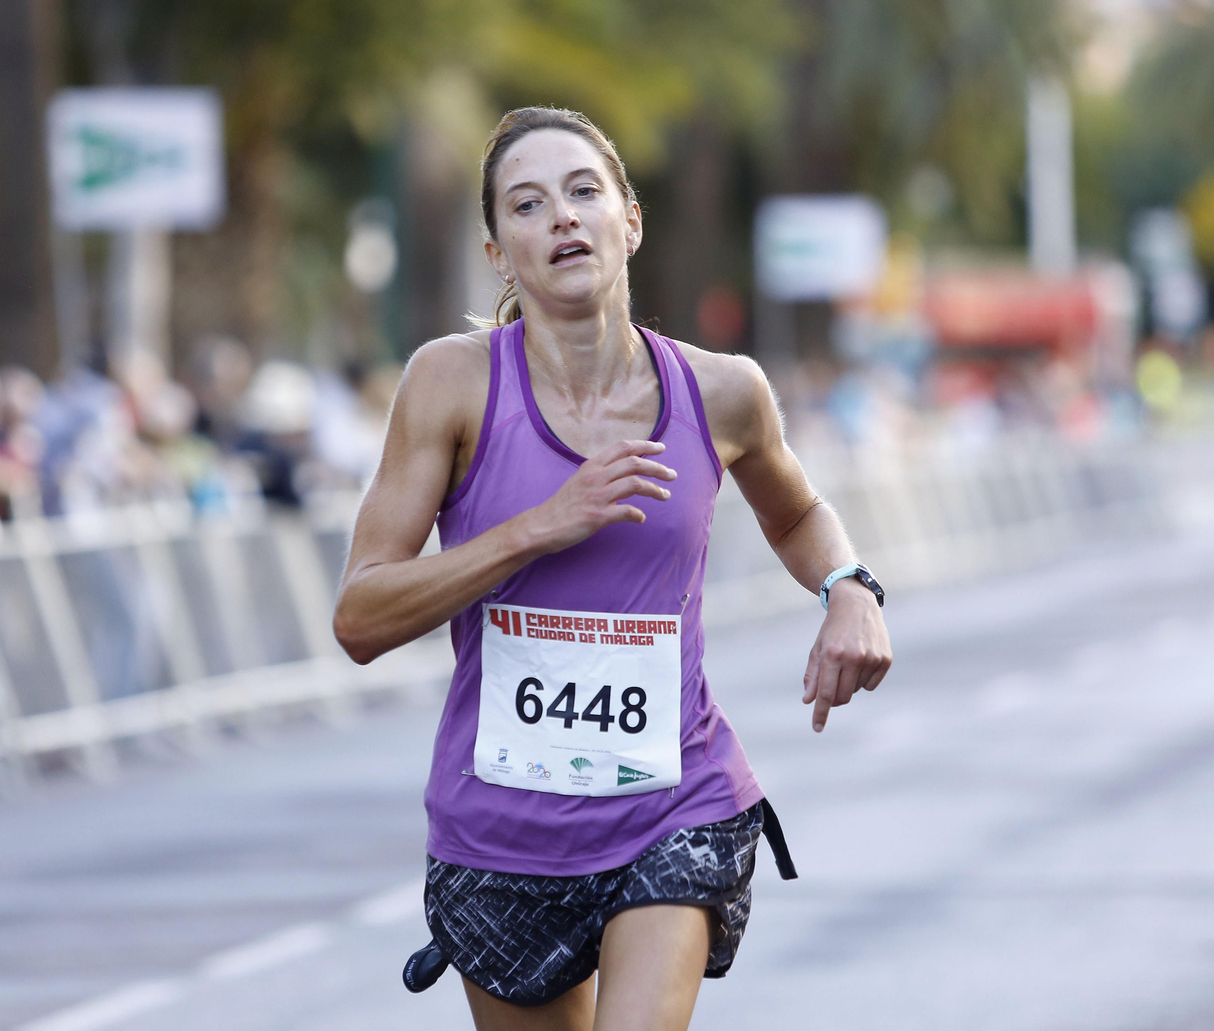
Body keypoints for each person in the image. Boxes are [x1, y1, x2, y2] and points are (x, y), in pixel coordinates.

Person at [332, 107, 893, 1031]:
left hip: (673, 803)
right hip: (502, 828)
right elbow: (360, 616)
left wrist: (848, 589)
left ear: (629, 220)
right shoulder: (451, 384)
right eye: (528, 204)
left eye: (583, 191)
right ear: (498, 253)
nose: (561, 217)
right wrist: (535, 528)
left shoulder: (721, 391)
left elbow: (798, 513)